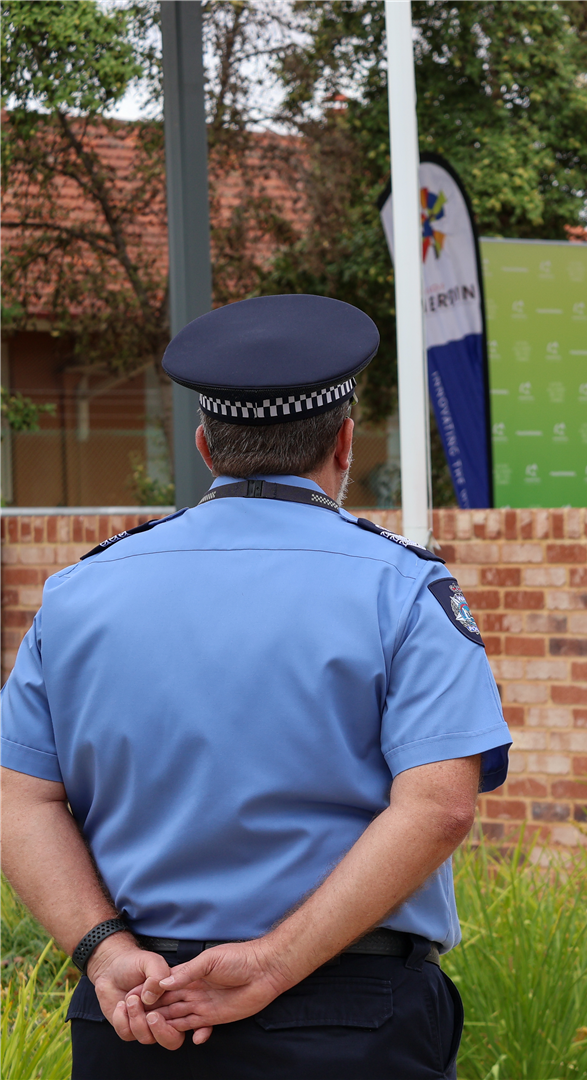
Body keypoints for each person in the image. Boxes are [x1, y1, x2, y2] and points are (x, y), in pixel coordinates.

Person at [0, 294, 512, 1080]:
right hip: (348, 1018)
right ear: (345, 442)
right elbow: (439, 807)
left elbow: (20, 798)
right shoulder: (404, 588)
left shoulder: (78, 594)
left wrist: (105, 952)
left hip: (137, 1014)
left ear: (206, 446)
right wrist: (272, 964)